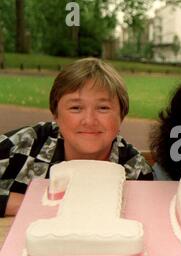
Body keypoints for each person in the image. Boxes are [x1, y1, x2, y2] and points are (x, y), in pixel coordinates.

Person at [0, 57, 154, 217]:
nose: (89, 121)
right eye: (75, 108)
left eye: (103, 108)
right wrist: (28, 204)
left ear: (121, 116)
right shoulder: (27, 143)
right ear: (56, 115)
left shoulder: (135, 171)